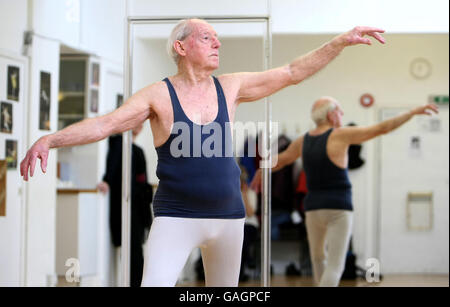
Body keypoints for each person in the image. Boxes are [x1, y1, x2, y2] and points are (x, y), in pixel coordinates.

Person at [20, 19, 385, 287]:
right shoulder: (157, 96)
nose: (217, 45)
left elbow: (291, 72)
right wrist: (49, 140)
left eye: (218, 39)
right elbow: (105, 124)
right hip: (176, 217)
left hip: (229, 219)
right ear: (181, 47)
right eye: (207, 37)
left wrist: (338, 42)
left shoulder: (231, 87)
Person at [251, 97, 439, 286]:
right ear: (331, 114)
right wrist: (412, 112)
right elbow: (382, 128)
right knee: (335, 265)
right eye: (340, 111)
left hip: (313, 209)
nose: (342, 115)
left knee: (318, 258)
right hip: (338, 207)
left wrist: (261, 170)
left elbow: (281, 159)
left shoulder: (303, 140)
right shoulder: (340, 135)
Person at [96, 123, 153, 287]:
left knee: (135, 252)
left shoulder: (136, 150)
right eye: (137, 122)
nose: (140, 125)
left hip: (137, 208)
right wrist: (106, 181)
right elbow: (113, 168)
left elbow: (142, 182)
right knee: (133, 252)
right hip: (129, 209)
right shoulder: (120, 145)